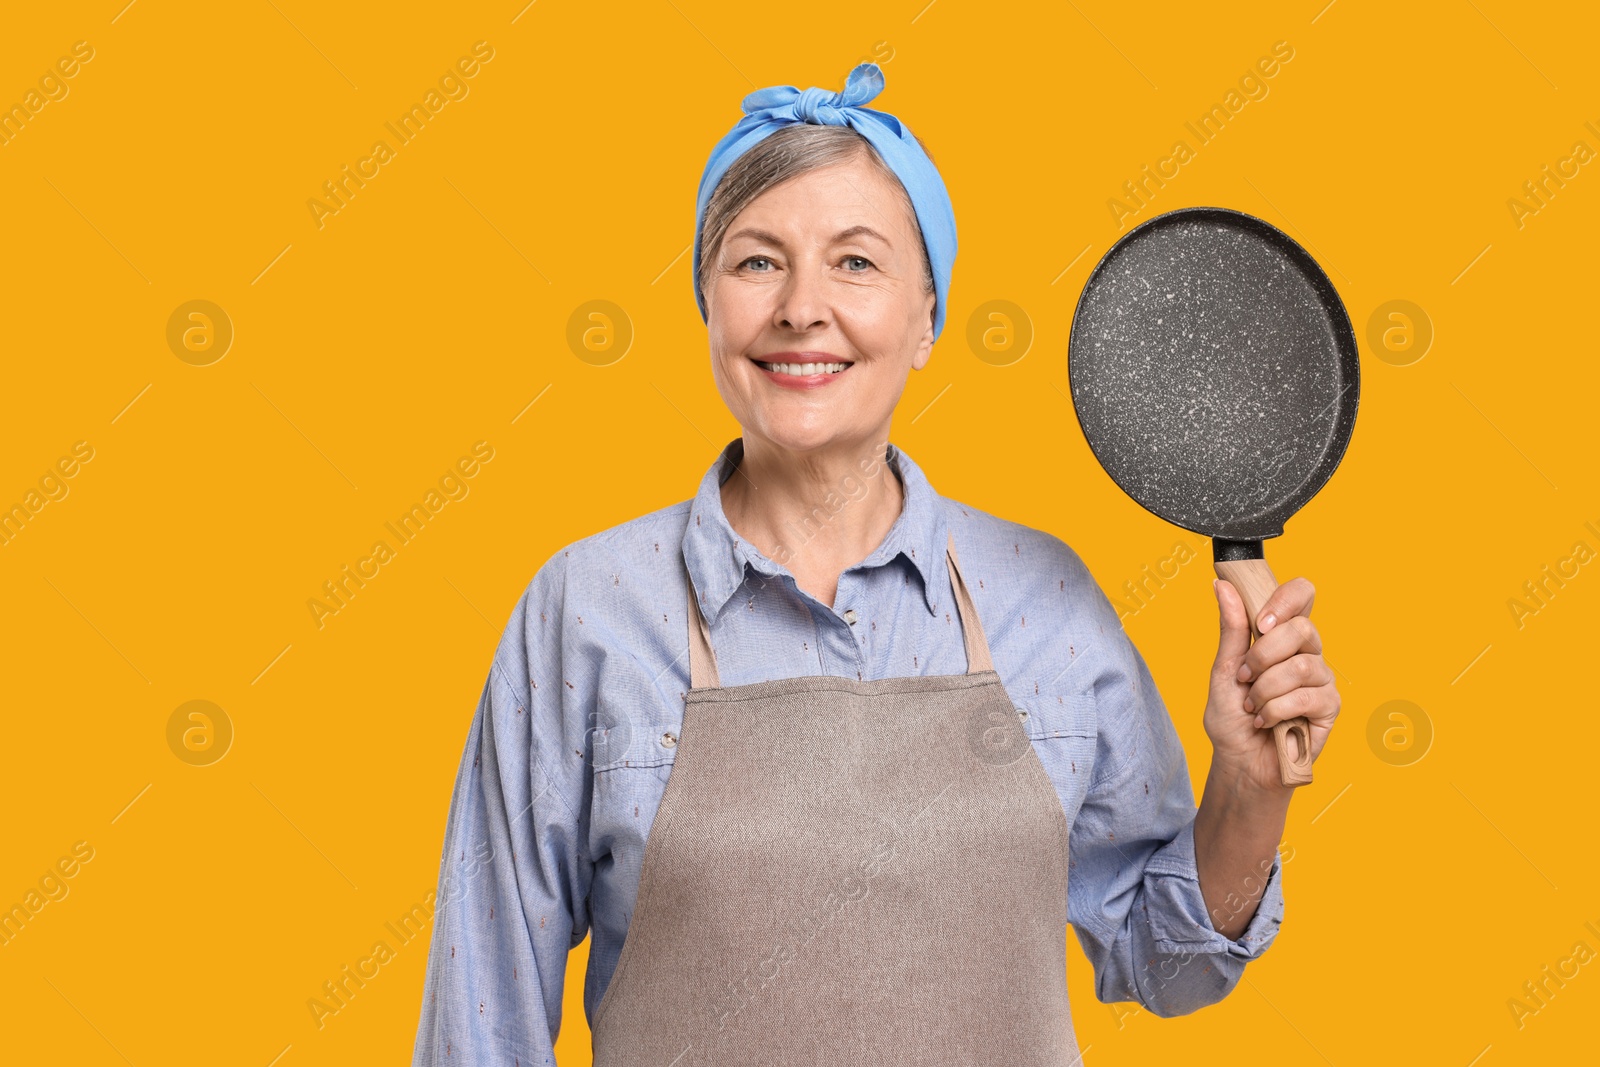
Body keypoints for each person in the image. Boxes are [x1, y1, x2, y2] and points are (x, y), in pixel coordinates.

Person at [409, 62, 1341, 1066]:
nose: (801, 308)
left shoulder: (1045, 599)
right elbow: (482, 1016)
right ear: (707, 305)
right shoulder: (586, 609)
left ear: (927, 317)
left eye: (855, 263)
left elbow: (1169, 967)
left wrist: (1249, 793)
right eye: (756, 261)